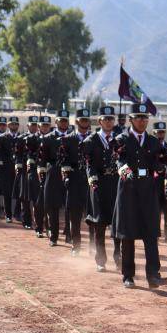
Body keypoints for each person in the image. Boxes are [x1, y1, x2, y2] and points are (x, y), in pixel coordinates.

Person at [112, 102, 164, 288]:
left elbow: (159, 161)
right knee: (128, 234)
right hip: (128, 192)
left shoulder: (153, 141)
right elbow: (119, 162)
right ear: (131, 119)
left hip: (148, 192)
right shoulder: (121, 140)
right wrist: (128, 175)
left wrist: (162, 165)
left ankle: (153, 274)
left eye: (145, 118)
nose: (142, 121)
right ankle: (128, 275)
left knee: (150, 234)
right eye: (138, 118)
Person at [85, 106, 122, 271]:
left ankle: (118, 256)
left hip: (116, 185)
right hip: (98, 185)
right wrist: (92, 178)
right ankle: (101, 260)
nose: (108, 122)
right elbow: (88, 164)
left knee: (117, 223)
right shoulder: (90, 141)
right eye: (105, 119)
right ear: (100, 121)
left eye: (111, 119)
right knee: (99, 224)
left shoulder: (119, 140)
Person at [63, 108, 93, 255]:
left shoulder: (94, 139)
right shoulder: (68, 139)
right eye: (82, 120)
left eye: (87, 120)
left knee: (93, 216)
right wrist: (66, 176)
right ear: (76, 122)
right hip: (74, 181)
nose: (85, 123)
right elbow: (63, 160)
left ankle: (93, 246)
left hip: (91, 182)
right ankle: (76, 245)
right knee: (75, 216)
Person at [39, 110, 70, 246]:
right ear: (56, 122)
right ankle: (54, 236)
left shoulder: (73, 137)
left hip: (71, 174)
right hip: (54, 175)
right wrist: (42, 173)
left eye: (65, 120)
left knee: (71, 206)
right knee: (53, 207)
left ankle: (69, 234)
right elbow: (42, 159)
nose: (63, 123)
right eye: (61, 120)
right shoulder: (48, 138)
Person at [153, 121, 167, 243]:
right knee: (155, 210)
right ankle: (155, 233)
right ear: (154, 133)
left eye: (162, 132)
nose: (161, 134)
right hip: (155, 183)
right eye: (158, 132)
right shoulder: (151, 148)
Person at [16, 116, 39, 229]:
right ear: (28, 126)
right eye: (32, 125)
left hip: (36, 169)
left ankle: (38, 221)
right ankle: (26, 220)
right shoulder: (21, 138)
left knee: (36, 196)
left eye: (35, 125)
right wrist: (18, 165)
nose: (34, 127)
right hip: (25, 170)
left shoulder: (39, 138)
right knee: (25, 197)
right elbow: (18, 154)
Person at [33, 116, 52, 238]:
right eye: (43, 125)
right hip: (37, 174)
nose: (45, 127)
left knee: (49, 203)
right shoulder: (33, 139)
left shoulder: (53, 139)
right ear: (39, 127)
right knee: (39, 203)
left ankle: (48, 227)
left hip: (50, 175)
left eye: (47, 125)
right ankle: (39, 227)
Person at [0, 116, 18, 223]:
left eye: (16, 124)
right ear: (8, 125)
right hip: (6, 169)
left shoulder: (21, 137)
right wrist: (0, 170)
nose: (14, 126)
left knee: (20, 192)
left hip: (19, 169)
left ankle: (18, 213)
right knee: (7, 193)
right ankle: (8, 214)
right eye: (12, 124)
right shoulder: (2, 138)